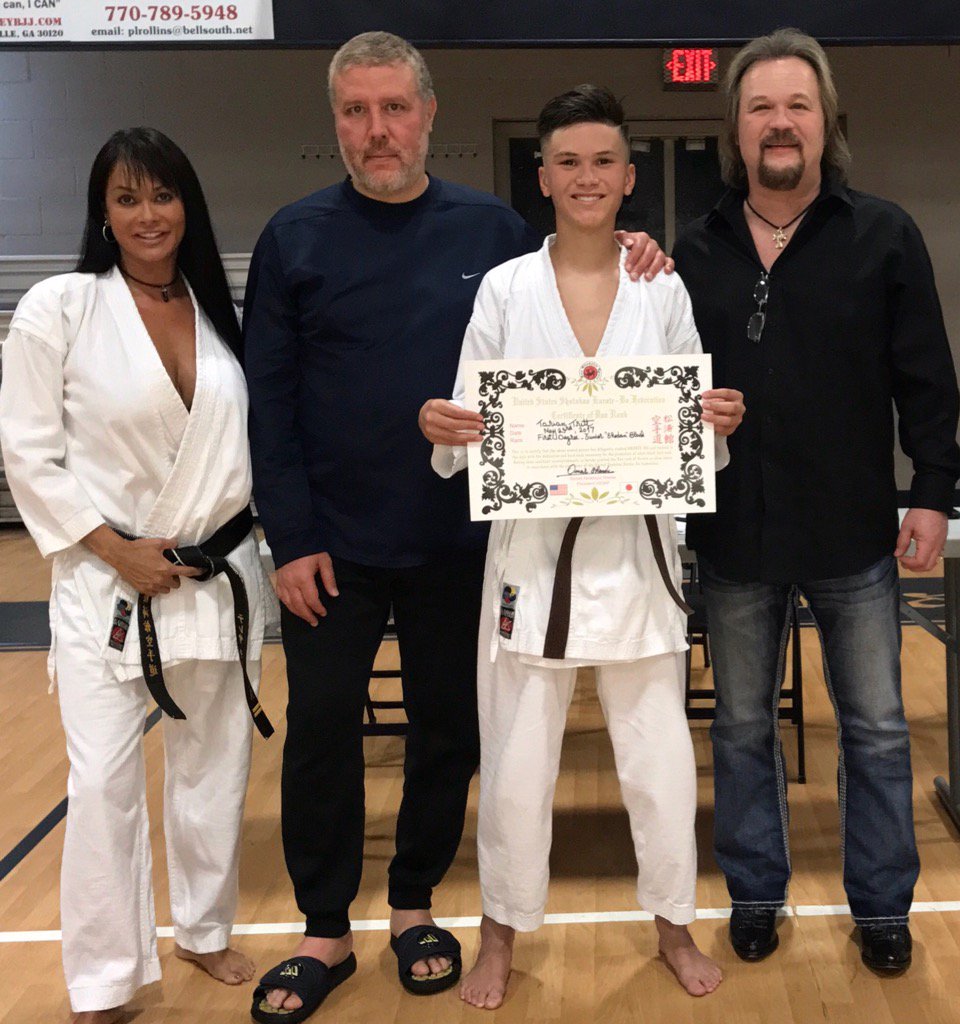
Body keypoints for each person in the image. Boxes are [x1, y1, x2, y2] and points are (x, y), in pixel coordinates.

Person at [242, 32, 669, 1023]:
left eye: (394, 108)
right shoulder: (293, 238)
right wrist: (291, 538)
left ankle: (413, 904)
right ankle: (323, 927)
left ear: (429, 115)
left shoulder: (490, 230)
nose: (377, 129)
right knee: (320, 733)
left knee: (448, 730)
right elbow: (269, 402)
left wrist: (638, 250)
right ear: (336, 122)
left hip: (464, 542)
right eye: (356, 111)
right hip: (331, 547)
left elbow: (572, 289)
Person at [420, 85, 745, 1008]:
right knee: (514, 767)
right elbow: (467, 425)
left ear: (630, 177)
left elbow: (693, 433)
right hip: (530, 564)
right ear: (543, 177)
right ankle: (498, 935)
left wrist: (715, 418)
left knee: (661, 764)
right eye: (568, 161)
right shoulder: (505, 288)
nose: (587, 177)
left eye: (604, 161)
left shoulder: (661, 286)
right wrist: (445, 426)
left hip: (636, 559)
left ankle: (673, 924)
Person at [672, 28, 960, 974]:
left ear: (827, 121)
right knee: (740, 728)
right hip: (734, 535)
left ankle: (882, 906)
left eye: (798, 105)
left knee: (876, 728)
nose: (780, 122)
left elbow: (928, 383)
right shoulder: (692, 250)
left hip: (853, 534)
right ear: (735, 128)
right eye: (761, 107)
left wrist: (933, 492)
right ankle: (755, 894)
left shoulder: (884, 234)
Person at [0, 127, 273, 1023]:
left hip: (217, 572)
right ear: (102, 213)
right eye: (126, 199)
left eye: (162, 195)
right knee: (104, 782)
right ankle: (107, 976)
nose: (147, 214)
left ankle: (203, 928)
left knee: (215, 765)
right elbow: (28, 452)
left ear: (187, 204)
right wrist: (115, 548)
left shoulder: (215, 310)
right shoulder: (62, 307)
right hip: (107, 580)